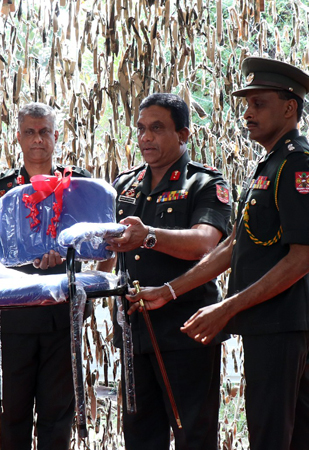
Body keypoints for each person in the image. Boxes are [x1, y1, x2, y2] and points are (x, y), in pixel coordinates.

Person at [129, 59, 309, 450]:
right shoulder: (269, 165)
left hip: (281, 323)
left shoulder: (297, 166)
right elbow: (235, 246)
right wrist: (169, 291)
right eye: (247, 104)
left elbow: (299, 259)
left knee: (268, 434)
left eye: (259, 104)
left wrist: (225, 308)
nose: (247, 113)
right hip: (266, 323)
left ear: (289, 108)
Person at [96, 93, 232, 449]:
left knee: (194, 435)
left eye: (157, 129)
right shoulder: (124, 185)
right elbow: (107, 254)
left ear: (183, 134)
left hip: (186, 330)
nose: (145, 138)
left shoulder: (204, 184)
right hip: (133, 331)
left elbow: (206, 242)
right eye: (141, 129)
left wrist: (150, 237)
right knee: (140, 436)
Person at [0, 102, 90, 449]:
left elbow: (95, 241)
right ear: (19, 137)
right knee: (12, 416)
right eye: (30, 132)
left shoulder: (78, 184)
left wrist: (68, 253)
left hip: (62, 315)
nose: (38, 139)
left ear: (56, 136)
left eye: (44, 132)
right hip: (13, 318)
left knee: (57, 416)